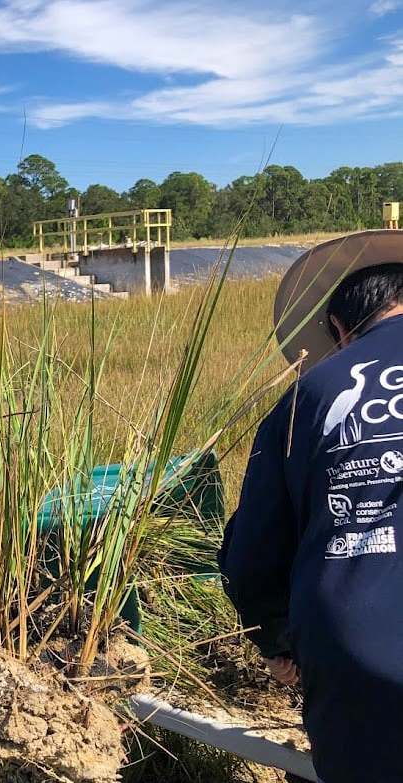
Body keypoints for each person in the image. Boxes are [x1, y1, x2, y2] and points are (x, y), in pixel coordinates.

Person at [219, 229, 403, 783]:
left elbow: (252, 555)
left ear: (342, 332)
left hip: (361, 662)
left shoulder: (306, 397)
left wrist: (276, 641)